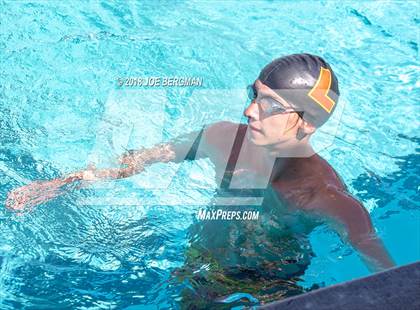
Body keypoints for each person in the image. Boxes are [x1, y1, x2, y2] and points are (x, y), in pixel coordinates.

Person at [6, 54, 395, 308]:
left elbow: (385, 270)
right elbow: (140, 160)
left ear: (308, 121)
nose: (249, 110)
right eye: (254, 95)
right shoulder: (222, 138)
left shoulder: (322, 196)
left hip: (270, 290)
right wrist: (62, 182)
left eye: (270, 105)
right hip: (197, 266)